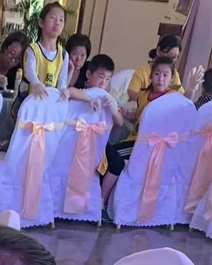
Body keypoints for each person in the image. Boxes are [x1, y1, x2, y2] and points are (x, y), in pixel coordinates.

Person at [102, 55, 178, 204]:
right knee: (105, 152)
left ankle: (102, 200)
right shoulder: (144, 95)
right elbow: (139, 117)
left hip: (147, 144)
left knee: (113, 157)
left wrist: (191, 89)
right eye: (157, 74)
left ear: (171, 78)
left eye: (165, 75)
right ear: (150, 75)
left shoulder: (172, 97)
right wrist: (125, 113)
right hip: (134, 139)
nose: (160, 79)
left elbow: (183, 107)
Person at [126, 35, 205, 102]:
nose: (171, 60)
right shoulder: (143, 71)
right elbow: (132, 93)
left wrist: (191, 88)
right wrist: (151, 100)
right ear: (158, 51)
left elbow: (182, 98)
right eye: (169, 54)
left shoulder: (174, 74)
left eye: (175, 57)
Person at [22, 1, 68, 98]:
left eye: (61, 20)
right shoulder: (33, 49)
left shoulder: (63, 55)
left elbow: (62, 80)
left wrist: (63, 91)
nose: (57, 23)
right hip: (31, 101)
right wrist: (36, 83)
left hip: (50, 103)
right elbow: (29, 71)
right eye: (53, 18)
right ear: (41, 22)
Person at [66, 53, 124, 128]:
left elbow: (120, 123)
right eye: (101, 77)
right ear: (89, 74)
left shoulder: (108, 100)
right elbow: (70, 91)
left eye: (107, 79)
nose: (103, 82)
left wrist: (114, 111)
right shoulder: (82, 92)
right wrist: (90, 99)